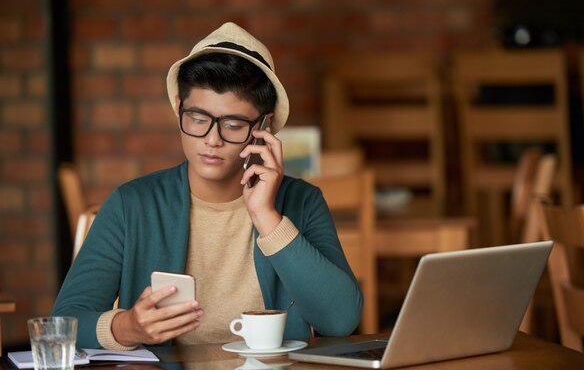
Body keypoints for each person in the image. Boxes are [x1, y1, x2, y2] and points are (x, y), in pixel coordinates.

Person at [52, 22, 363, 350]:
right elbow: (65, 322)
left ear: (264, 126)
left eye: (233, 124)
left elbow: (340, 320)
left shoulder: (302, 202)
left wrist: (267, 217)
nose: (212, 140)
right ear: (177, 108)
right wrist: (127, 327)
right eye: (198, 119)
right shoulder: (131, 205)